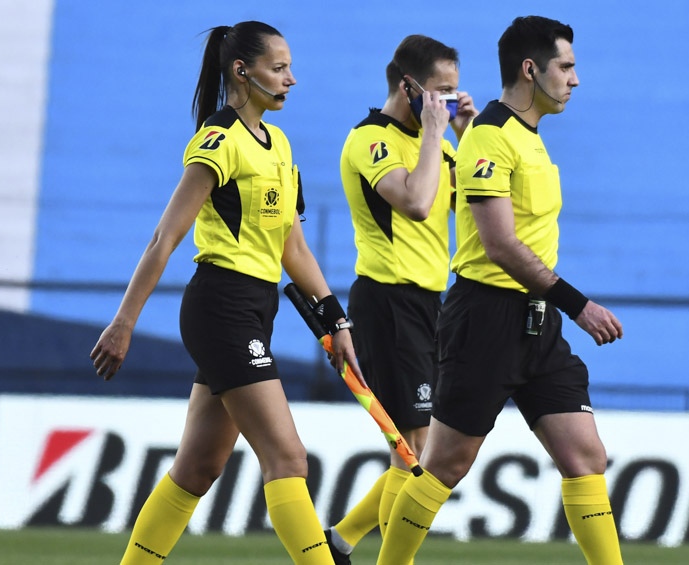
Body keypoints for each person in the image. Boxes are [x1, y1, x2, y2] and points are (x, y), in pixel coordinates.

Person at [89, 21, 358, 565]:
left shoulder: (280, 145)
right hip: (221, 307)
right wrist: (124, 322)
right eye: (279, 68)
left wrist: (338, 321)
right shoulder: (217, 140)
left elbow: (295, 250)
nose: (292, 79)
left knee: (197, 468)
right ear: (242, 71)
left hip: (254, 312)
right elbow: (165, 237)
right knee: (287, 456)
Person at [377, 16, 626, 565]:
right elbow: (500, 246)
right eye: (567, 66)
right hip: (487, 319)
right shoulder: (490, 136)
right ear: (530, 69)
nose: (575, 80)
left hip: (539, 325)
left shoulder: (527, 138)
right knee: (444, 464)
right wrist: (578, 305)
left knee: (587, 456)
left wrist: (561, 310)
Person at [324, 35, 477, 564]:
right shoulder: (370, 139)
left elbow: (480, 214)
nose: (448, 102)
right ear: (407, 86)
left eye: (455, 92)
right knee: (415, 447)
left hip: (431, 304)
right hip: (388, 301)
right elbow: (414, 202)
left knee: (411, 449)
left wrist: (467, 135)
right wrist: (438, 135)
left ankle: (341, 541)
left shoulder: (444, 141)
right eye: (441, 91)